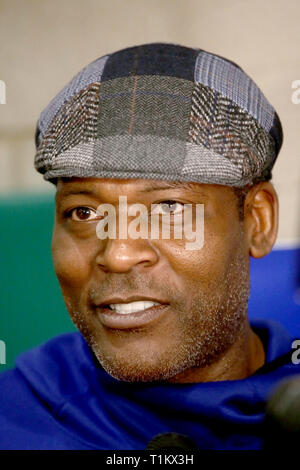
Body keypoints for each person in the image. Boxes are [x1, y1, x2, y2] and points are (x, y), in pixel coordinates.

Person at [0, 42, 299, 450]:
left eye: (168, 207)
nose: (118, 255)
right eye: (84, 213)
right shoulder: (16, 421)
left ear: (258, 222)